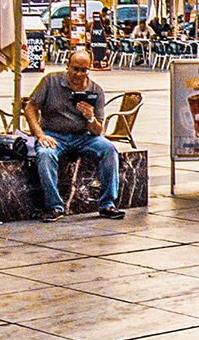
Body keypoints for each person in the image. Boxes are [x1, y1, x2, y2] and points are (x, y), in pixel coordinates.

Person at [29, 45, 128, 219]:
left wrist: (90, 117)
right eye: (75, 69)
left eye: (83, 70)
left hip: (83, 136)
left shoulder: (95, 90)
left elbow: (98, 131)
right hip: (54, 134)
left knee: (108, 149)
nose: (78, 74)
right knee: (45, 154)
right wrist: (40, 135)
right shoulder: (50, 81)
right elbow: (31, 108)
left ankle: (107, 204)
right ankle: (54, 206)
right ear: (68, 66)